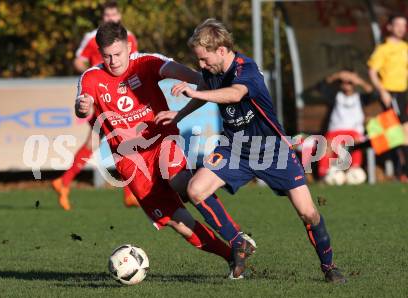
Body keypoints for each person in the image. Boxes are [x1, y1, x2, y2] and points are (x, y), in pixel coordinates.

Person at [155, 19, 346, 283]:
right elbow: (206, 87)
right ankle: (238, 242)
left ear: (221, 50)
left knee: (308, 212)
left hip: (271, 149)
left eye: (203, 59)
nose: (200, 66)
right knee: (196, 189)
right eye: (198, 60)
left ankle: (329, 267)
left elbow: (234, 94)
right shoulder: (212, 72)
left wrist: (193, 94)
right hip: (234, 148)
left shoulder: (247, 69)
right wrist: (179, 115)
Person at [76, 21, 255, 279]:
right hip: (130, 162)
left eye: (118, 54)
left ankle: (236, 236)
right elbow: (82, 104)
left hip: (161, 142)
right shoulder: (91, 77)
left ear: (128, 47)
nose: (113, 61)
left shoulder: (146, 62)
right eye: (107, 56)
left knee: (182, 181)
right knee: (178, 222)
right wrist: (82, 108)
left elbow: (193, 75)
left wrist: (198, 83)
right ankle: (232, 257)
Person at [52, 0, 139, 210]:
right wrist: (93, 76)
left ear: (119, 16)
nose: (111, 19)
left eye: (114, 15)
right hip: (100, 96)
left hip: (119, 96)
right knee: (122, 139)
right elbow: (78, 61)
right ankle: (130, 193)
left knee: (97, 142)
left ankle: (63, 182)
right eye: (108, 16)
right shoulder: (92, 38)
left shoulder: (129, 38)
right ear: (103, 18)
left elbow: (134, 62)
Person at [368, 13, 408, 182]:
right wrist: (382, 91)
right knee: (400, 131)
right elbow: (372, 72)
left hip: (404, 93)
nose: (401, 28)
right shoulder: (383, 49)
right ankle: (402, 170)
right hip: (390, 93)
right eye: (397, 25)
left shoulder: (406, 47)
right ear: (390, 27)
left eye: (404, 25)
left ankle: (400, 170)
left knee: (402, 131)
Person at [318, 70, 374, 179]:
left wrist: (359, 81)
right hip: (335, 131)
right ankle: (324, 174)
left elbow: (372, 92)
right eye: (344, 82)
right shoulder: (335, 96)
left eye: (350, 82)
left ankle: (354, 171)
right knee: (327, 144)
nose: (347, 84)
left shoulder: (360, 98)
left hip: (354, 132)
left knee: (355, 143)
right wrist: (337, 75)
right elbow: (321, 87)